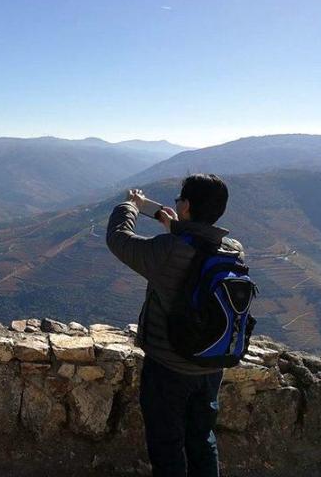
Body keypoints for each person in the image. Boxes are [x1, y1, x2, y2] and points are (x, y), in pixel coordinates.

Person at [106, 174, 243, 477]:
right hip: (211, 365)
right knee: (202, 441)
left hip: (168, 368)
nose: (176, 203)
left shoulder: (167, 251)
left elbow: (118, 238)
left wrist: (130, 205)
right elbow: (199, 244)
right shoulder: (234, 249)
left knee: (167, 446)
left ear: (187, 206)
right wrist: (176, 224)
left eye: (179, 200)